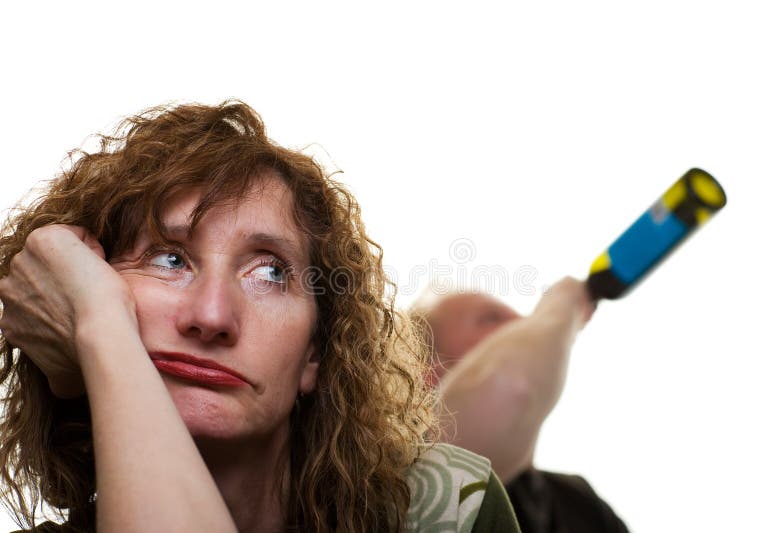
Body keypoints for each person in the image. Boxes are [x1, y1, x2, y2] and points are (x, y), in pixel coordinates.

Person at [0, 101, 520, 532]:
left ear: (315, 351)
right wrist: (101, 326)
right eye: (169, 259)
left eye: (270, 274)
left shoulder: (447, 509)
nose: (212, 316)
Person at [412, 279, 629, 532]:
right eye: (491, 319)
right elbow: (515, 386)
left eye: (523, 321)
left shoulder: (582, 503)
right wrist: (568, 298)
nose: (524, 328)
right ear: (424, 371)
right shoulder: (418, 478)